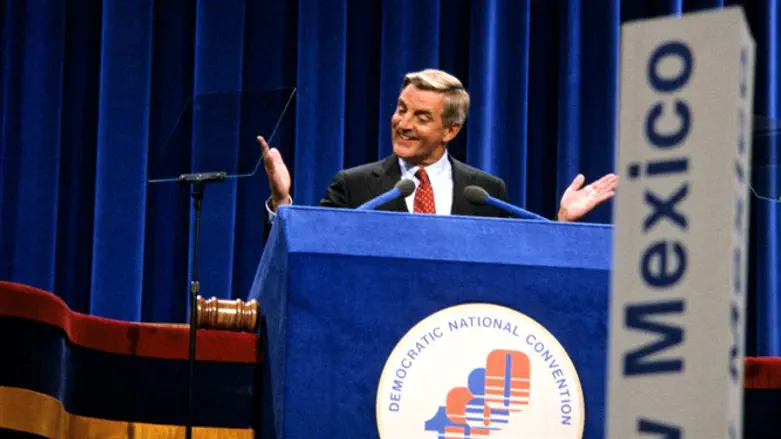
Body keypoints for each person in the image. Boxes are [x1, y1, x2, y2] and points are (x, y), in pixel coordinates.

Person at [257, 69, 617, 222]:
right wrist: (281, 202)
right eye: (401, 110)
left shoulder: (486, 192)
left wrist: (562, 222)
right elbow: (307, 249)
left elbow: (518, 262)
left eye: (421, 117)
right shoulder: (354, 186)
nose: (404, 124)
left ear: (451, 130)